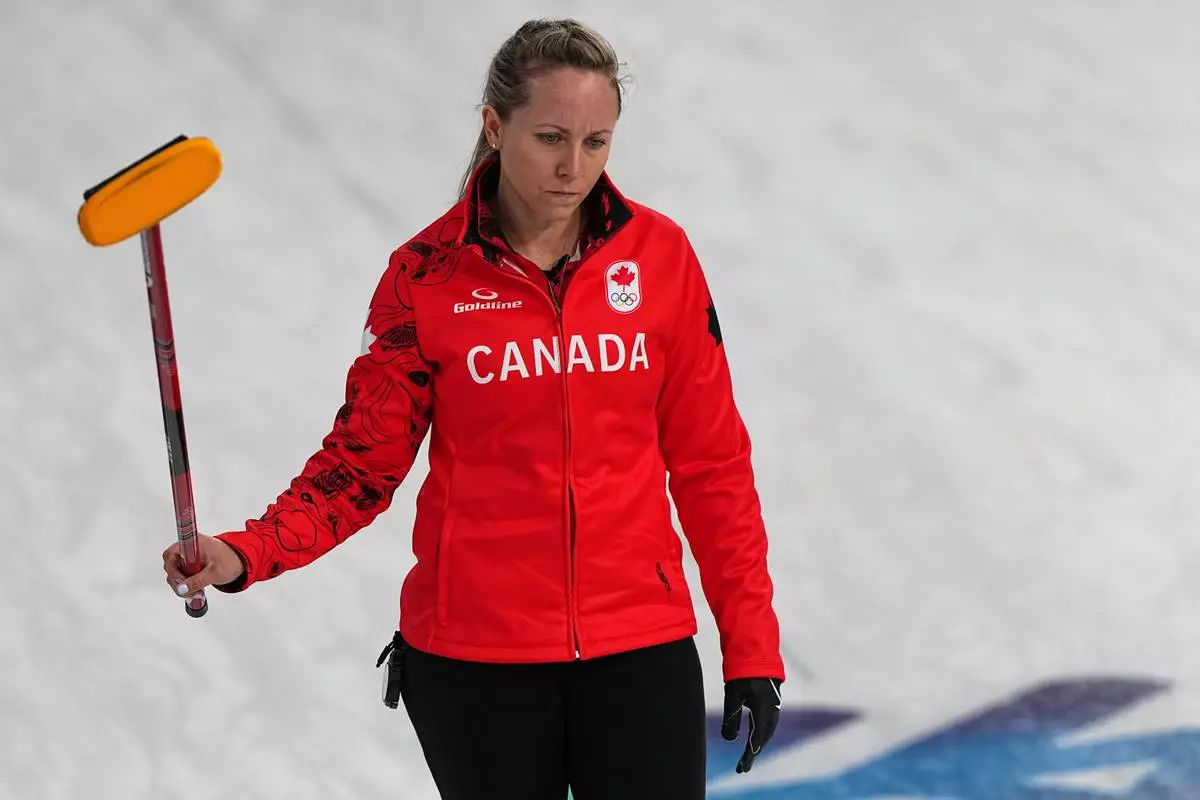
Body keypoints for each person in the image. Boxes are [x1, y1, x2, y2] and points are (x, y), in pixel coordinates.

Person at [161, 17, 786, 799]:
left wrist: (752, 649)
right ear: (495, 127)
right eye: (550, 137)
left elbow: (712, 465)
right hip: (476, 665)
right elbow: (360, 465)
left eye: (597, 142)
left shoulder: (660, 259)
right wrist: (248, 551)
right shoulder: (424, 278)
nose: (573, 167)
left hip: (639, 647)